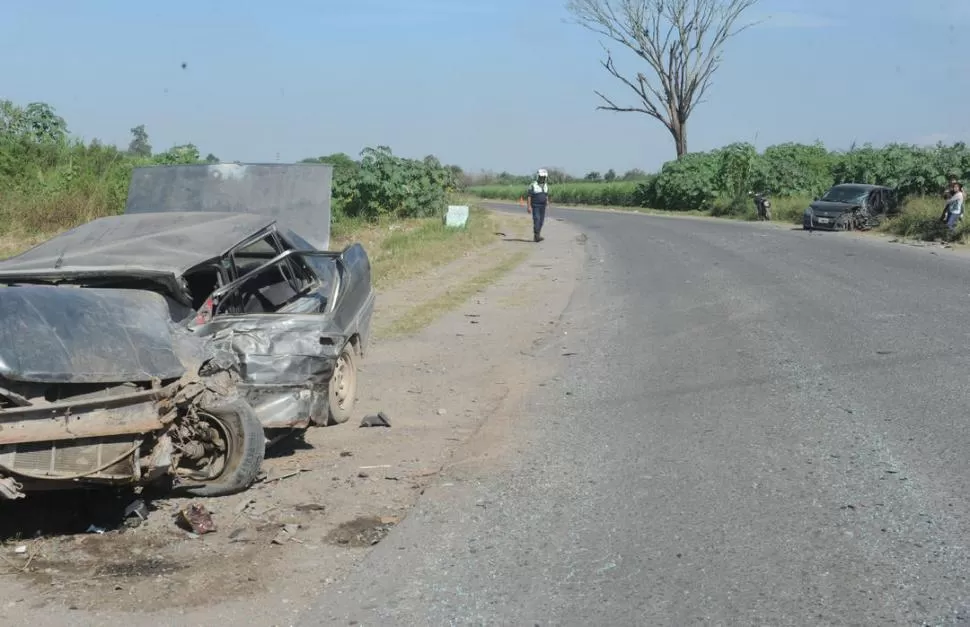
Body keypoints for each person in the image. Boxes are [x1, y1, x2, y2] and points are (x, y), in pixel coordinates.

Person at [525, 168, 550, 242]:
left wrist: (547, 202)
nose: (542, 178)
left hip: (543, 206)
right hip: (535, 205)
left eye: (544, 177)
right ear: (538, 177)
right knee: (537, 220)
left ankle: (537, 235)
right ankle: (536, 236)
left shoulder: (546, 185)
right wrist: (529, 206)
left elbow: (546, 195)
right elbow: (529, 196)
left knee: (541, 221)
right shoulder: (533, 185)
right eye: (541, 177)